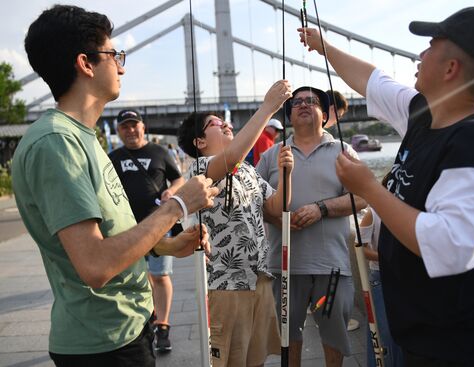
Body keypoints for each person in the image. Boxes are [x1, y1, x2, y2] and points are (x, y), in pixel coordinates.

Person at [300, 6, 474, 367]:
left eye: (431, 45)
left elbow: (449, 246)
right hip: (422, 331)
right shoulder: (423, 111)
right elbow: (373, 79)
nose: (419, 54)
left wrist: (370, 188)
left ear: (451, 69)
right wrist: (323, 46)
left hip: (461, 346)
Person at [12, 5, 218, 366]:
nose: (121, 66)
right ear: (86, 64)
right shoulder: (57, 143)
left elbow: (112, 237)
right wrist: (178, 206)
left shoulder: (83, 137)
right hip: (105, 345)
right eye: (114, 55)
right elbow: (94, 265)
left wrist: (166, 245)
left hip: (128, 328)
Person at [178, 80, 293, 367]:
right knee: (228, 362)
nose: (226, 124)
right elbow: (228, 161)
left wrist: (286, 173)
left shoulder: (249, 171)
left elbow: (277, 206)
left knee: (256, 360)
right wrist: (268, 107)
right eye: (216, 123)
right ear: (199, 142)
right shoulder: (201, 169)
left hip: (260, 280)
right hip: (226, 286)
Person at [257, 86, 367, 367]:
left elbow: (363, 196)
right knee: (288, 335)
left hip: (332, 267)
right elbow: (256, 203)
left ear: (324, 113)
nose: (304, 104)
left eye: (312, 101)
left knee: (334, 333)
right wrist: (279, 218)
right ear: (289, 113)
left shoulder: (344, 151)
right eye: (297, 102)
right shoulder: (272, 155)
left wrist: (322, 209)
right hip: (284, 268)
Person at [109, 109, 184, 353]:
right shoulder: (113, 157)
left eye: (134, 125)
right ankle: (148, 317)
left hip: (158, 224)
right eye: (125, 127)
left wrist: (172, 192)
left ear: (143, 127)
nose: (130, 130)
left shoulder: (159, 152)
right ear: (119, 131)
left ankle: (162, 326)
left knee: (160, 275)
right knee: (134, 277)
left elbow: (178, 179)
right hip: (125, 228)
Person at [358, 207, 403, 367]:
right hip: (380, 277)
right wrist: (387, 258)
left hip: (404, 280)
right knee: (382, 333)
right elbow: (360, 248)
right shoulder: (373, 213)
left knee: (400, 335)